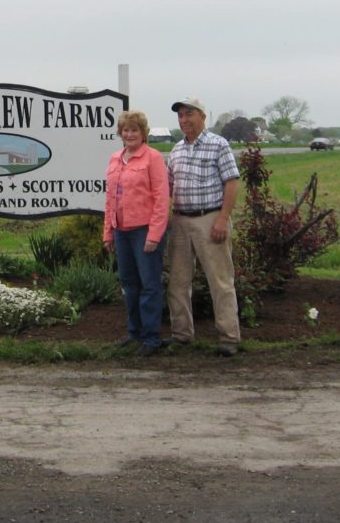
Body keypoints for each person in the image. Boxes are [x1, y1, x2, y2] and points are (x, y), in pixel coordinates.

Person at [166, 96, 242, 357]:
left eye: (189, 114)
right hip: (180, 220)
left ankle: (229, 337)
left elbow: (231, 183)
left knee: (219, 280)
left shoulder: (218, 145)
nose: (184, 120)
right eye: (180, 116)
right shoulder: (176, 149)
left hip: (210, 218)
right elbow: (168, 187)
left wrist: (222, 218)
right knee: (177, 281)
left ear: (202, 116)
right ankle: (181, 334)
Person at [102, 110, 170, 357]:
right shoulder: (115, 159)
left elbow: (161, 199)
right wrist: (108, 232)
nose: (129, 134)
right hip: (121, 230)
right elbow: (110, 198)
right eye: (125, 130)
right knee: (129, 284)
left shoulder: (152, 158)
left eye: (134, 130)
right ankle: (134, 333)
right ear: (120, 133)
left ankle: (151, 338)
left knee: (149, 285)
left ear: (143, 133)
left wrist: (155, 235)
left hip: (144, 231)